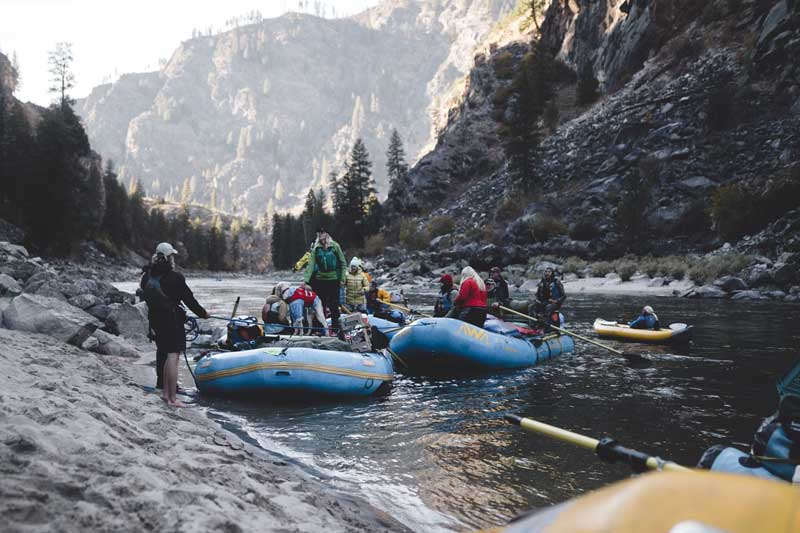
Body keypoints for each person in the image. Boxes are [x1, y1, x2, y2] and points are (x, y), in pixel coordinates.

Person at [140, 242, 208, 407]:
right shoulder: (175, 278)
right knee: (173, 357)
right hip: (171, 321)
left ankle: (164, 392)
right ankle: (172, 399)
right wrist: (203, 314)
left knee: (163, 353)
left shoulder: (146, 276)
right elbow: (189, 299)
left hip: (155, 320)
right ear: (170, 258)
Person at [304, 228, 347, 331]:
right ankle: (319, 328)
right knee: (320, 303)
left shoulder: (335, 246)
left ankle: (336, 327)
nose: (321, 237)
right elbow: (311, 264)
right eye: (319, 234)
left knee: (334, 304)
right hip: (321, 279)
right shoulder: (316, 248)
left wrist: (342, 278)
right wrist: (306, 280)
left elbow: (343, 263)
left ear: (326, 234)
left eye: (322, 234)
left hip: (334, 278)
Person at [534, 267, 566, 332]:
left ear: (552, 273)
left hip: (555, 303)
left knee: (548, 308)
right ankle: (534, 325)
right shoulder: (542, 282)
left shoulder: (557, 282)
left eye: (549, 272)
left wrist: (556, 301)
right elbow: (537, 294)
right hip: (545, 301)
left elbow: (563, 296)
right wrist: (537, 299)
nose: (547, 273)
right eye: (546, 272)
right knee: (532, 306)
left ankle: (546, 328)